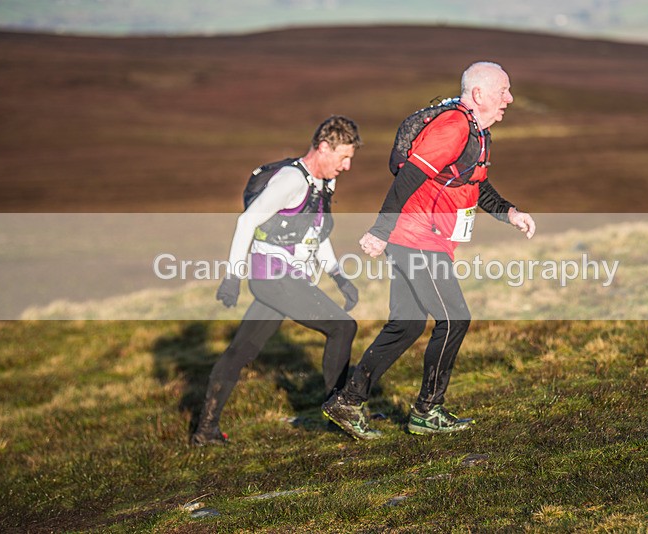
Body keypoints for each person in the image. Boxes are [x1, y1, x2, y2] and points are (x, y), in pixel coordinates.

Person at [322, 62, 536, 440]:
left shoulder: (478, 133)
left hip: (426, 239)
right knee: (454, 319)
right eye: (503, 91)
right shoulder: (453, 126)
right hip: (415, 237)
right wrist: (380, 231)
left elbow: (475, 185)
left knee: (406, 325)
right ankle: (427, 410)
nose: (510, 98)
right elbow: (409, 177)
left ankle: (348, 401)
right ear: (479, 94)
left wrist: (510, 213)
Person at [191, 115, 363, 446]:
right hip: (273, 277)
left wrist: (339, 276)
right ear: (323, 147)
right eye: (343, 157)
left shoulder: (323, 182)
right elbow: (247, 222)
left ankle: (205, 429)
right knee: (343, 327)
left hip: (284, 279)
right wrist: (232, 276)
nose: (347, 166)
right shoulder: (291, 181)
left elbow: (315, 233)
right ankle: (341, 413)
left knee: (241, 350)